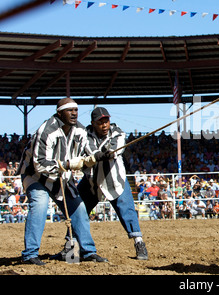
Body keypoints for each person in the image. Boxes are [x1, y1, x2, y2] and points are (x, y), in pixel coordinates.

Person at [18, 98, 107, 265]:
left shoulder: (80, 130)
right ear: (59, 113)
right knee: (39, 204)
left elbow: (89, 150)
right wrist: (68, 164)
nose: (74, 113)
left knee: (79, 209)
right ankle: (30, 254)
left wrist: (99, 155)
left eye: (76, 110)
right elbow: (40, 165)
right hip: (35, 176)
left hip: (62, 177)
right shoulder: (46, 131)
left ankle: (88, 251)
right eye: (69, 110)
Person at [71, 107, 148, 260]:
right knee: (77, 210)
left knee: (128, 211)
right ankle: (71, 245)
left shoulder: (118, 132)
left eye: (106, 121)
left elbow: (116, 149)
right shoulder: (85, 135)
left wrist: (110, 151)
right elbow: (90, 151)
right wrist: (101, 154)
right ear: (93, 123)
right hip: (92, 181)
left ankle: (139, 243)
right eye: (100, 122)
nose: (104, 125)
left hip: (116, 180)